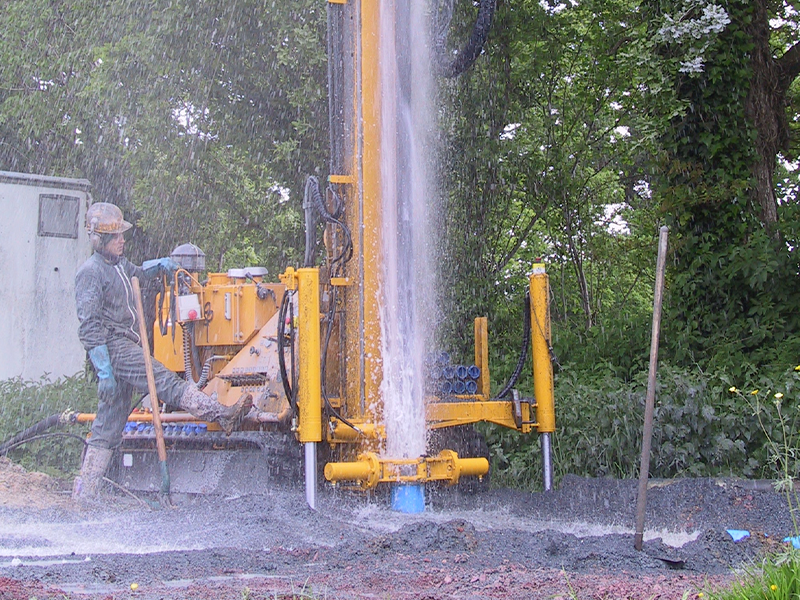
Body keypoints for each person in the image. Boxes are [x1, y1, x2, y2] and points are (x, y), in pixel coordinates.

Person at [73, 202, 252, 500]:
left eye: (121, 234)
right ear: (100, 240)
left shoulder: (117, 266)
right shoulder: (90, 274)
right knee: (164, 381)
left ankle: (86, 494)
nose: (122, 239)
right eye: (116, 236)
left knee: (108, 423)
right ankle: (221, 415)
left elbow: (137, 272)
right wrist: (104, 371)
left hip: (128, 344)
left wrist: (160, 265)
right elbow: (89, 328)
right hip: (115, 348)